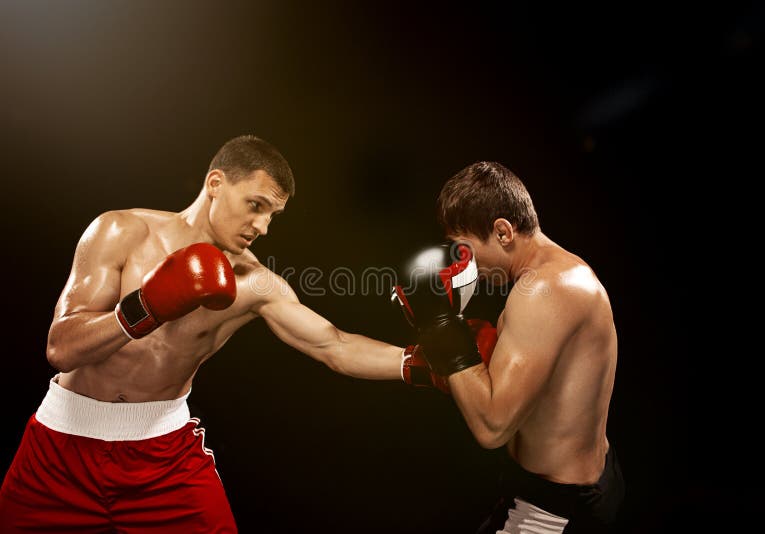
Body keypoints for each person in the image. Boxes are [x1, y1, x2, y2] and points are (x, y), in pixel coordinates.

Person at [0, 135, 410, 533]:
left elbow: (333, 345)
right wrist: (148, 306)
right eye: (256, 206)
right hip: (59, 449)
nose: (263, 227)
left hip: (162, 459)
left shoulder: (254, 283)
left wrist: (423, 362)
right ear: (216, 183)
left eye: (272, 215)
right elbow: (61, 347)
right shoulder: (120, 231)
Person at [393, 162, 625, 533]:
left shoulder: (544, 292)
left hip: (553, 511)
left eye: (464, 249)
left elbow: (492, 428)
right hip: (582, 485)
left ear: (502, 231)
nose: (464, 265)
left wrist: (441, 327)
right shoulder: (563, 272)